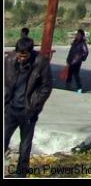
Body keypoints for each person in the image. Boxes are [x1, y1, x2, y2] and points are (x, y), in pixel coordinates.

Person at [4, 37, 53, 178]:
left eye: (24, 56)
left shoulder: (41, 62)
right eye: (19, 55)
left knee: (25, 145)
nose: (21, 58)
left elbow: (46, 86)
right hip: (11, 108)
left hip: (28, 110)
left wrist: (35, 106)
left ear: (31, 53)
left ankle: (21, 174)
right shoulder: (9, 60)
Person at [65, 29, 89, 93]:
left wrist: (81, 58)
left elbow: (86, 52)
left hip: (77, 61)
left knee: (76, 74)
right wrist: (68, 59)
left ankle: (79, 88)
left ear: (82, 35)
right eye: (77, 34)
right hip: (71, 60)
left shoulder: (82, 43)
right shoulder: (75, 42)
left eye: (79, 34)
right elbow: (71, 51)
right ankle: (68, 86)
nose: (77, 35)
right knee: (69, 74)